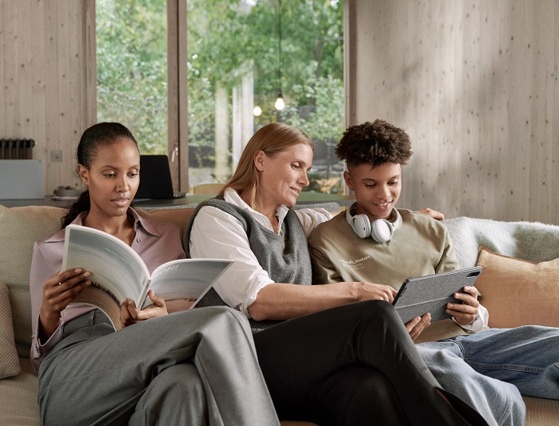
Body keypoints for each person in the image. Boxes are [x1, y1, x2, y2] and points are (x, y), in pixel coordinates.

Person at [183, 122, 489, 425]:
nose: (305, 180)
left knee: (371, 389)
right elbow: (259, 300)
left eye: (307, 170)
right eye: (296, 166)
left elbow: (353, 217)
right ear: (261, 160)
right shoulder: (217, 218)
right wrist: (356, 290)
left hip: (301, 364)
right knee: (374, 314)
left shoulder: (294, 221)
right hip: (244, 358)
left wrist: (411, 221)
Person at [308, 119, 559, 426]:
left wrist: (473, 313)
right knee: (453, 374)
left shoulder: (429, 229)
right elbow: (339, 322)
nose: (384, 194)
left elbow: (464, 296)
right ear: (349, 180)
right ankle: (506, 402)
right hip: (414, 353)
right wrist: (395, 339)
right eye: (370, 184)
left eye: (393, 182)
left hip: (468, 340)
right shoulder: (325, 241)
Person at [29, 122, 280, 425]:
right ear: (85, 174)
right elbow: (38, 358)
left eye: (132, 174)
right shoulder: (50, 248)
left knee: (184, 386)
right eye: (110, 174)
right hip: (75, 378)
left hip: (149, 355)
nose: (124, 186)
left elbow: (187, 306)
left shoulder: (165, 236)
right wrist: (48, 313)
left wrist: (162, 316)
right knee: (225, 320)